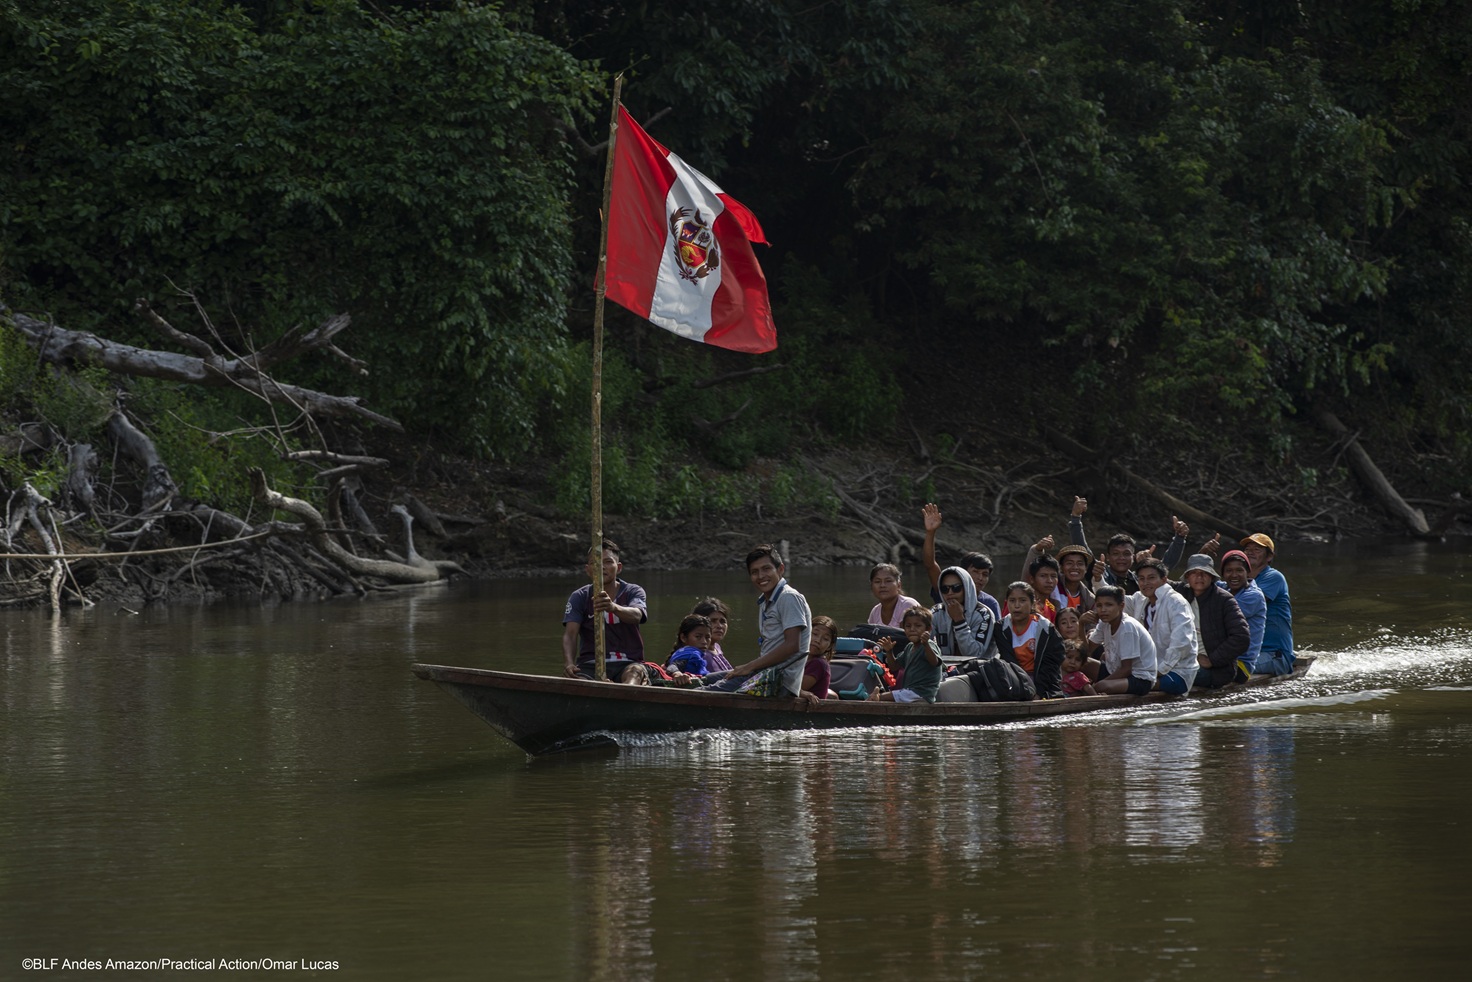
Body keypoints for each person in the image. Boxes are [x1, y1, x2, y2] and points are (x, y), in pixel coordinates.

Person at [701, 544, 812, 696]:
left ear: (780, 569)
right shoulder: (766, 601)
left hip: (777, 680)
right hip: (764, 673)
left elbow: (792, 645)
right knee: (706, 679)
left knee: (706, 692)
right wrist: (749, 668)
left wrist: (749, 667)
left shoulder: (788, 597)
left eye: (766, 569)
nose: (760, 576)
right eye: (754, 572)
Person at [561, 539, 648, 682]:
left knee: (634, 675)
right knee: (579, 684)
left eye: (608, 562)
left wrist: (613, 607)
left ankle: (624, 692)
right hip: (590, 664)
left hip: (629, 662)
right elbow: (570, 634)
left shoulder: (633, 591)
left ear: (618, 567)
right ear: (587, 569)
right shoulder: (580, 597)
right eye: (595, 563)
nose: (601, 567)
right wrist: (569, 663)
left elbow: (637, 615)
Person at [1068, 496, 1188, 593]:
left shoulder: (1140, 578)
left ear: (1133, 557)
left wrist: (1180, 538)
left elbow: (1167, 565)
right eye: (1116, 554)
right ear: (1108, 557)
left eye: (1126, 554)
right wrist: (1075, 518)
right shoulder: (1098, 572)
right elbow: (1081, 547)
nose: (1121, 558)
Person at [1172, 554, 1250, 689]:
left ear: (1212, 577)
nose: (1199, 577)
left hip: (1214, 670)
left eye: (1204, 573)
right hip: (1180, 661)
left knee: (1170, 674)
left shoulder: (1224, 600)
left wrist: (1212, 660)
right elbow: (1156, 579)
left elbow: (1241, 637)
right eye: (1194, 573)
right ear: (1187, 577)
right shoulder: (1179, 593)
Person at [1125, 558, 1198, 694]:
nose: (1146, 583)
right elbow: (1114, 601)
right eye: (1141, 579)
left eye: (1151, 578)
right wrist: (1098, 579)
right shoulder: (1140, 599)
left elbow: (1182, 643)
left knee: (1126, 686)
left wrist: (1160, 670)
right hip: (1148, 671)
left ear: (1164, 580)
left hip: (1178, 672)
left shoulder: (1176, 602)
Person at [921, 502, 1002, 618]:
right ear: (963, 573)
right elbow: (930, 565)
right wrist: (930, 533)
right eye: (975, 571)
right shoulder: (948, 592)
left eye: (985, 574)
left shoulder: (989, 603)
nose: (980, 578)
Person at [1080, 585, 1157, 695]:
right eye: (1099, 605)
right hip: (1115, 671)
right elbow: (1085, 652)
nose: (1103, 610)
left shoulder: (1127, 627)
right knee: (1082, 662)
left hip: (1139, 679)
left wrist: (1098, 685)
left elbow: (1126, 669)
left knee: (1101, 686)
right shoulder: (1104, 623)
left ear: (1121, 606)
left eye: (1109, 605)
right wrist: (1081, 625)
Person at [998, 581, 1066, 698]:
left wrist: (1038, 693)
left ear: (1032, 603)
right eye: (1012, 601)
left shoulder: (1045, 628)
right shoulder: (1001, 627)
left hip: (1042, 683)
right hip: (1013, 680)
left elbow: (1050, 665)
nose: (1017, 605)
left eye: (1023, 600)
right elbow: (1008, 661)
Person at [1240, 533, 1294, 676]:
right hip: (1248, 652)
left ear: (1269, 557)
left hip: (1273, 654)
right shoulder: (1238, 581)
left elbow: (1247, 606)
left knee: (1227, 668)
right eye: (1247, 549)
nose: (1250, 552)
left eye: (1257, 550)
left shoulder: (1274, 577)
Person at [929, 564, 999, 669]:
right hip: (944, 671)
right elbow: (924, 645)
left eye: (956, 588)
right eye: (944, 589)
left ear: (967, 588)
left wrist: (959, 621)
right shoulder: (936, 612)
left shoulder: (984, 614)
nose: (950, 593)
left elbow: (975, 654)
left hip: (978, 672)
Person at [871, 606, 943, 703]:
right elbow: (894, 667)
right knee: (887, 696)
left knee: (880, 697)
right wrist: (889, 651)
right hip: (910, 692)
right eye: (908, 626)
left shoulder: (929, 645)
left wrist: (926, 645)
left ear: (928, 629)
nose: (912, 629)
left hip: (922, 693)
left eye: (918, 626)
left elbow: (934, 662)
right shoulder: (909, 647)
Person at [1218, 550, 1265, 679]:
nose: (1234, 575)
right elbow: (1195, 583)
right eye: (1229, 571)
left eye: (1239, 570)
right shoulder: (1223, 588)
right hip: (1221, 658)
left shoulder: (1253, 596)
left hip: (1241, 664)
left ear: (1247, 572)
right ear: (1223, 574)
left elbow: (1218, 618)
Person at [866, 563, 919, 628]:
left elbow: (913, 635)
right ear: (871, 586)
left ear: (898, 585)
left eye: (888, 581)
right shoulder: (875, 612)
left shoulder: (908, 605)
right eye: (877, 581)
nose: (882, 585)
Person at [691, 597, 735, 674]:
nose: (719, 626)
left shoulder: (716, 647)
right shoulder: (695, 654)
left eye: (722, 621)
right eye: (713, 621)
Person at [802, 614, 839, 701]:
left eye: (825, 639)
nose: (817, 640)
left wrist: (800, 692)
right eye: (814, 634)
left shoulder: (818, 664)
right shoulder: (799, 658)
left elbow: (793, 691)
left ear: (830, 646)